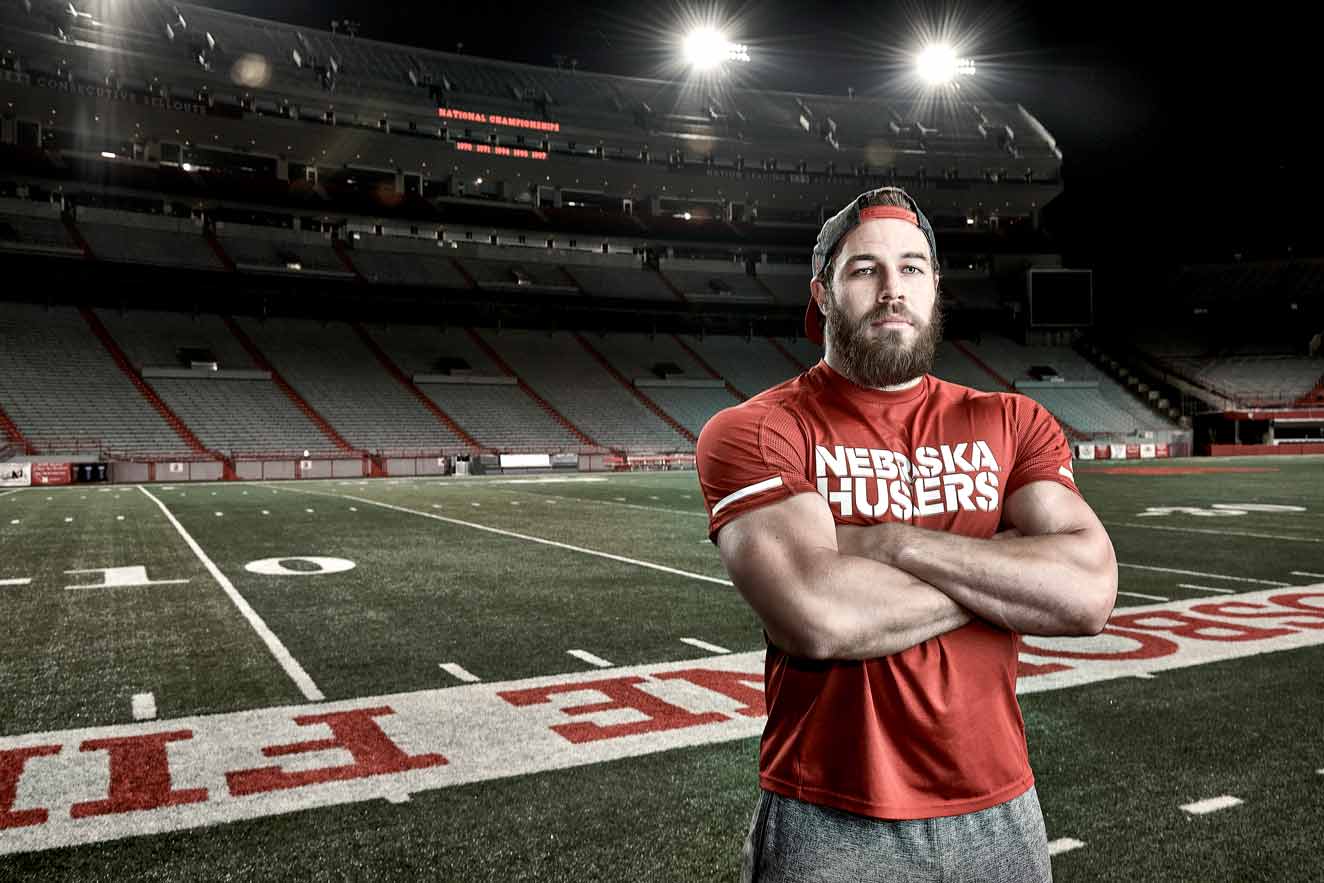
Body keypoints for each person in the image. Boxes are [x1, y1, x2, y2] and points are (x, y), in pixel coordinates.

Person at [695, 187, 1118, 882]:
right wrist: (1008, 573)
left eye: (912, 267)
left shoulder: (1013, 421)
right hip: (829, 814)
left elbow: (1088, 594)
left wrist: (892, 543)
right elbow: (818, 615)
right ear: (823, 293)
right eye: (866, 269)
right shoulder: (758, 429)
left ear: (935, 286)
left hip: (1003, 810)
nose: (893, 289)